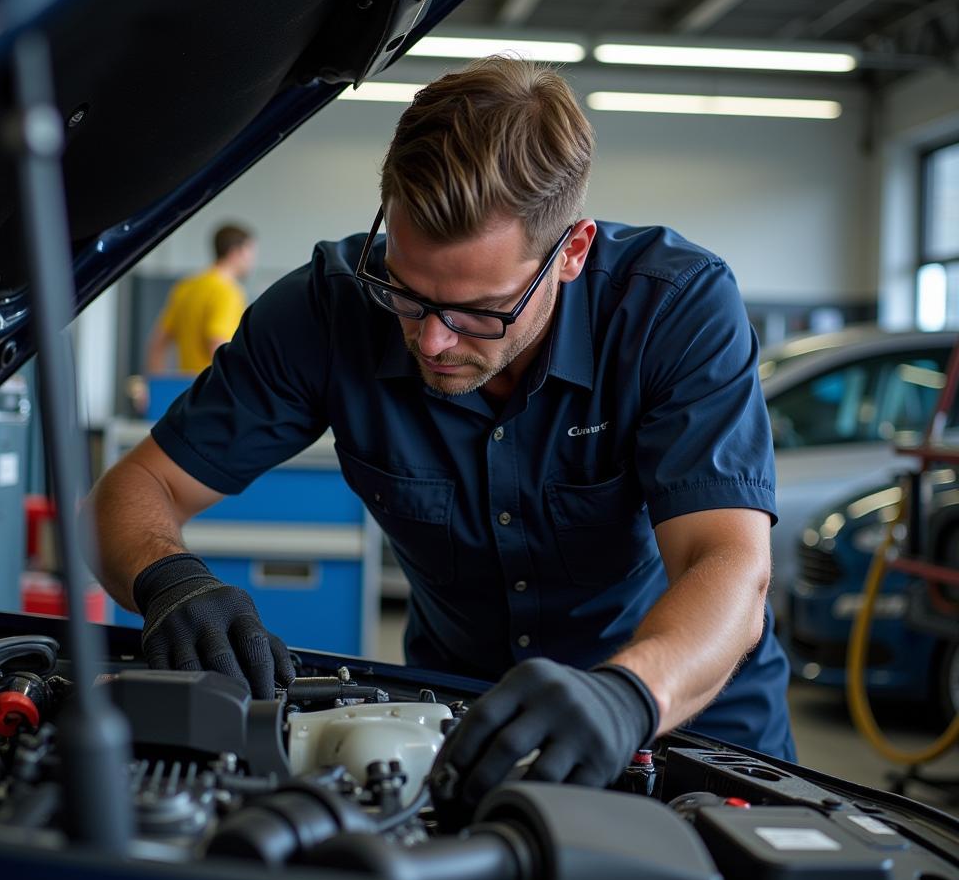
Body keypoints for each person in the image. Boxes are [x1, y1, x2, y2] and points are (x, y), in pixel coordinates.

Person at [87, 58, 793, 816]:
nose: (429, 341)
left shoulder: (674, 312)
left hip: (685, 719)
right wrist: (173, 581)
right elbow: (135, 489)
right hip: (458, 724)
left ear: (574, 252)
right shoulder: (328, 310)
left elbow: (729, 563)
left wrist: (627, 695)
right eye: (406, 291)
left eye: (480, 311)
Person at [144, 223, 256, 375]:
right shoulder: (227, 291)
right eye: (250, 252)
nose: (252, 261)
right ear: (235, 252)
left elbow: (157, 343)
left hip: (188, 389)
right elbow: (217, 343)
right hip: (213, 393)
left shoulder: (186, 287)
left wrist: (157, 388)